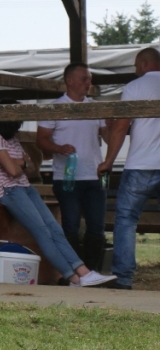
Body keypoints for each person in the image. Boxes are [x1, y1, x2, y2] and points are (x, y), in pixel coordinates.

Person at [0, 101, 115, 288]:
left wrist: (19, 163)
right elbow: (13, 170)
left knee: (55, 229)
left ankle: (83, 273)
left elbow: (30, 168)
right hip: (8, 190)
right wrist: (20, 163)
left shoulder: (11, 139)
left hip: (25, 187)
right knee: (43, 232)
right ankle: (74, 277)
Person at [98, 47, 160, 290]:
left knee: (126, 220)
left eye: (136, 66)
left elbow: (121, 127)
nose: (136, 70)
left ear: (144, 64)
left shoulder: (136, 87)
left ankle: (123, 278)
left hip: (141, 165)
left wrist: (108, 161)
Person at [36, 63, 108, 271]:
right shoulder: (54, 108)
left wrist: (115, 130)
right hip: (67, 177)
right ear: (69, 81)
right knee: (71, 226)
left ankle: (92, 271)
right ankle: (73, 271)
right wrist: (58, 148)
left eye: (89, 78)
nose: (89, 83)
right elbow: (41, 140)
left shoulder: (96, 107)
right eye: (85, 78)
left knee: (97, 227)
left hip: (96, 175)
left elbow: (109, 136)